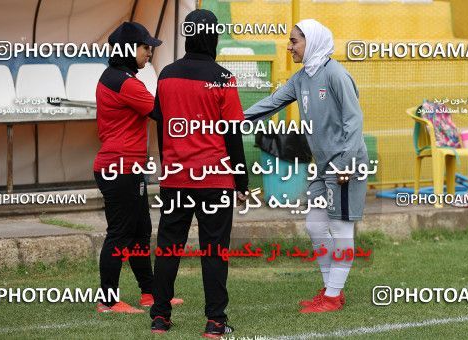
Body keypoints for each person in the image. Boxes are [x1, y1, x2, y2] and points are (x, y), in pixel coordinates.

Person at [244, 19, 368, 313]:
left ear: (311, 42)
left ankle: (333, 297)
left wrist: (346, 164)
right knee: (314, 225)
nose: (289, 47)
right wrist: (234, 120)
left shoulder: (336, 74)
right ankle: (329, 290)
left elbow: (354, 121)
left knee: (340, 229)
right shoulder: (301, 78)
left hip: (344, 166)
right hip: (322, 166)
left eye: (294, 41)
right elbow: (273, 102)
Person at [149, 9, 248, 337]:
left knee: (168, 247)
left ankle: (160, 317)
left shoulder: (165, 75)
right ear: (213, 37)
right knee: (214, 250)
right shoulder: (222, 77)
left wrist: (169, 166)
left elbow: (163, 127)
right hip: (215, 180)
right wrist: (242, 179)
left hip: (176, 177)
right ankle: (215, 322)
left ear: (188, 35)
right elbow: (232, 134)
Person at [93, 21, 183, 313]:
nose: (149, 53)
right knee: (120, 233)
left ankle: (150, 293)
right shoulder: (124, 81)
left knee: (141, 230)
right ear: (129, 49)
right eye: (145, 47)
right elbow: (161, 111)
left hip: (129, 167)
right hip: (118, 168)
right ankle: (107, 301)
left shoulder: (120, 76)